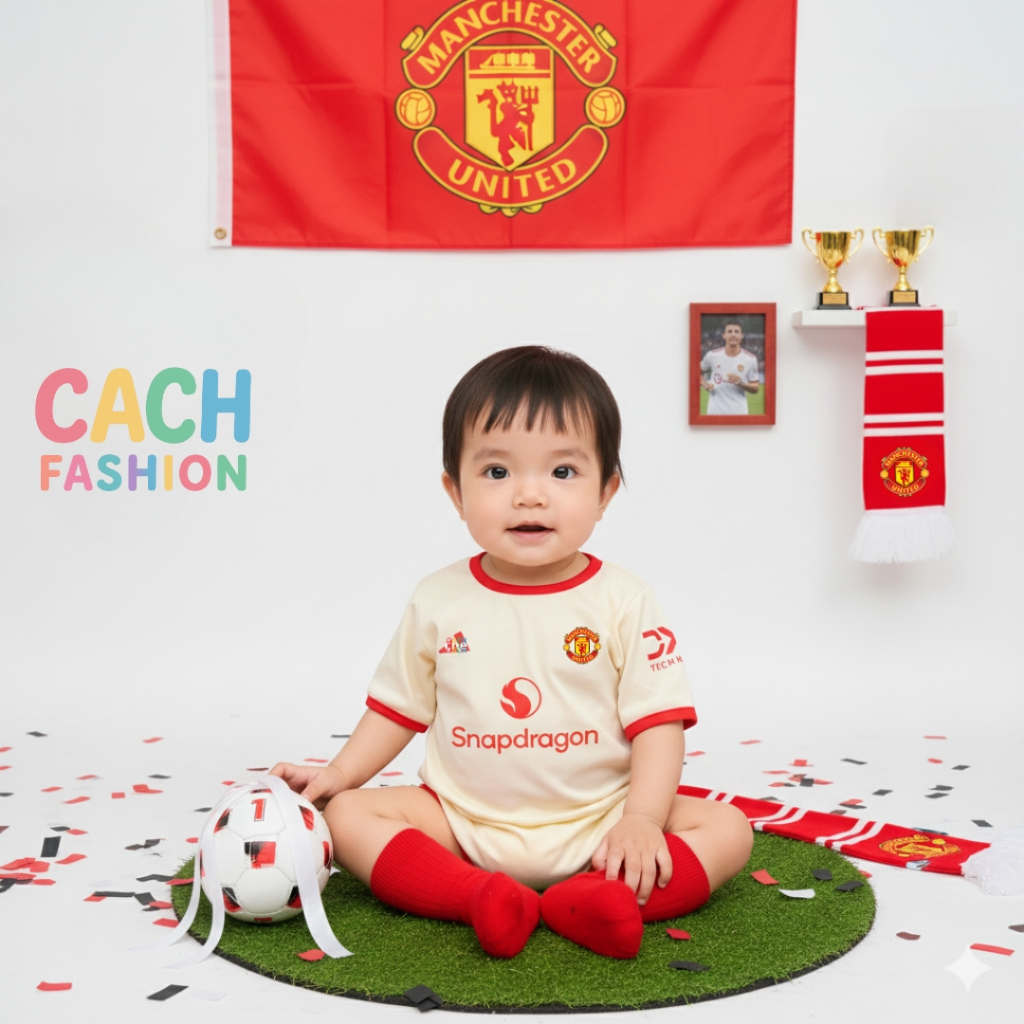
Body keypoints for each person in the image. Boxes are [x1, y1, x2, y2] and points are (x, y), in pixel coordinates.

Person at [272, 346, 752, 960]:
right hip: (460, 823)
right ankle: (476, 895)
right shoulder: (439, 597)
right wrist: (338, 776)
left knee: (728, 830)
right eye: (497, 472)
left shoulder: (623, 600)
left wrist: (641, 820)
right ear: (455, 491)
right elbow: (398, 708)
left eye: (563, 472)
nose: (529, 495)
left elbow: (658, 725)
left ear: (606, 491)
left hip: (601, 821)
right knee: (347, 816)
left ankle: (595, 899)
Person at [699, 320, 760, 415]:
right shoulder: (712, 355)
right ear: (724, 335)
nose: (733, 335)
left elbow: (755, 387)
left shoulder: (750, 359)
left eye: (736, 332)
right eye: (729, 331)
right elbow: (695, 371)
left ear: (742, 335)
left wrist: (741, 383)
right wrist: (704, 383)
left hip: (739, 413)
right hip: (715, 412)